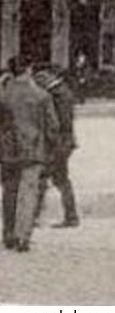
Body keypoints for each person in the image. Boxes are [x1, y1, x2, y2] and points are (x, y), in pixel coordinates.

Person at [1, 60, 62, 253]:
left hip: (8, 151)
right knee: (28, 194)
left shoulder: (4, 95)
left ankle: (8, 233)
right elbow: (53, 126)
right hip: (33, 150)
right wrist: (53, 148)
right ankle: (23, 236)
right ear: (29, 70)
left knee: (9, 192)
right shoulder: (41, 95)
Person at [34, 68, 78, 229]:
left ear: (50, 76)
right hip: (62, 143)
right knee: (57, 179)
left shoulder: (58, 95)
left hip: (58, 144)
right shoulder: (62, 92)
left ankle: (36, 215)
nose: (38, 82)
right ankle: (70, 215)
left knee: (49, 178)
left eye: (40, 78)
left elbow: (60, 122)